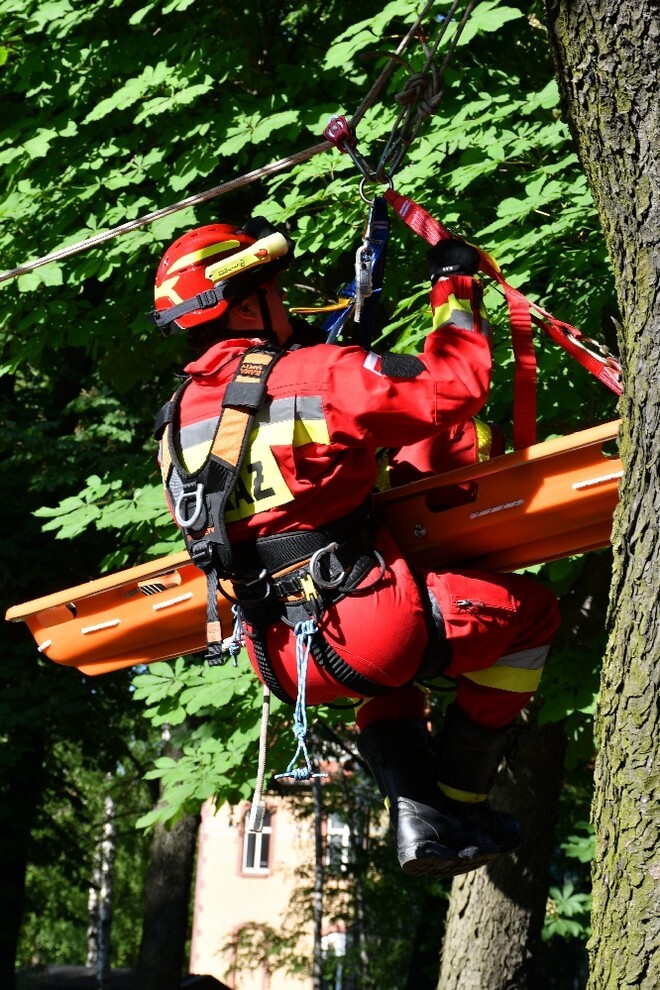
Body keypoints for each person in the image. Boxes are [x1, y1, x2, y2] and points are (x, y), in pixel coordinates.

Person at [151, 216, 561, 880]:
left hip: (279, 659)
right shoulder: (316, 375)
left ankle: (417, 815)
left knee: (389, 680)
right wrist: (455, 286)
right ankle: (461, 798)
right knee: (531, 617)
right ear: (246, 303)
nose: (286, 303)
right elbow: (454, 388)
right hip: (364, 628)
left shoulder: (175, 424)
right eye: (275, 294)